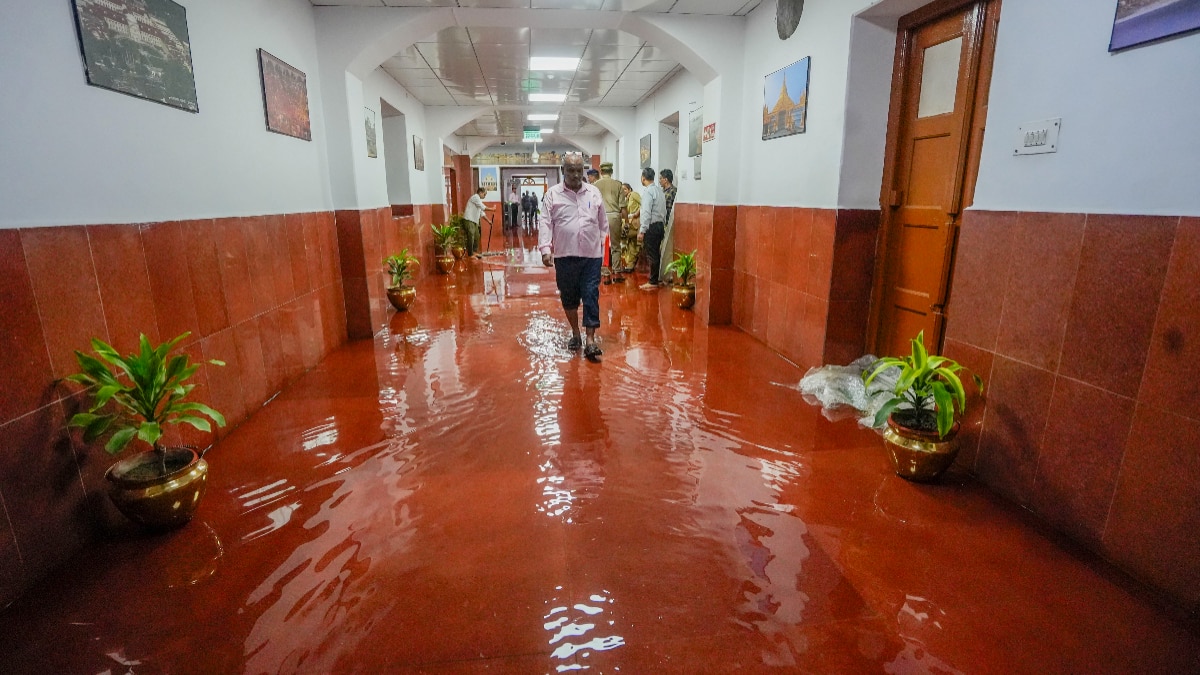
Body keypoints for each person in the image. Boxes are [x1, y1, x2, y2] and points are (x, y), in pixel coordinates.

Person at [539, 154, 608, 361]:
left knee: (590, 294)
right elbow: (545, 222)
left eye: (579, 170)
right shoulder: (552, 195)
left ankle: (590, 340)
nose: (576, 175)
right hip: (564, 255)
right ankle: (575, 333)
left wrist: (602, 251)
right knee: (568, 297)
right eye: (571, 170)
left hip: (591, 256)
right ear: (563, 171)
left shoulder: (594, 193)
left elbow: (603, 224)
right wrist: (545, 249)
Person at [594, 162, 625, 282]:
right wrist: (626, 221)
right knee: (616, 246)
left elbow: (591, 205)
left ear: (601, 172)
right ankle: (617, 273)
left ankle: (605, 274)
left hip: (600, 217)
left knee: (603, 245)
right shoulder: (618, 185)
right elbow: (623, 207)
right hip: (615, 216)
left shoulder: (595, 185)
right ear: (611, 172)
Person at [636, 167, 666, 290]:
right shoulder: (659, 190)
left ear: (643, 178)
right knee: (656, 254)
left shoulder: (648, 192)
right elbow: (663, 210)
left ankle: (653, 281)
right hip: (660, 225)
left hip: (651, 227)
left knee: (652, 255)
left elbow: (646, 213)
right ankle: (656, 278)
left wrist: (642, 230)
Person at [463, 187, 492, 258]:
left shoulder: (478, 200)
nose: (484, 196)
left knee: (477, 236)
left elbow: (481, 213)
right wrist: (492, 209)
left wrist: (488, 221)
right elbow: (482, 207)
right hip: (469, 220)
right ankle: (470, 254)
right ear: (480, 192)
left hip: (474, 221)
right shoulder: (475, 197)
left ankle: (474, 251)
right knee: (471, 236)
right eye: (484, 194)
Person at [619, 182, 641, 273]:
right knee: (631, 244)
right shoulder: (625, 200)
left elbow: (644, 204)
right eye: (622, 189)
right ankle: (630, 265)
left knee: (629, 242)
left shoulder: (634, 194)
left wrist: (636, 214)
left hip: (636, 224)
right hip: (630, 224)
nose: (623, 191)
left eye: (625, 189)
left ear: (629, 189)